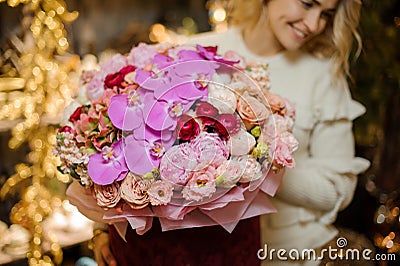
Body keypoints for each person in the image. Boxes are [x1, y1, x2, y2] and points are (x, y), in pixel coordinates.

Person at [87, 0, 370, 265]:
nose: (313, 23)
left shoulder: (323, 75)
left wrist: (257, 167)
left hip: (291, 252)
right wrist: (103, 228)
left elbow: (338, 191)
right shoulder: (201, 50)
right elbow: (134, 143)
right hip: (203, 252)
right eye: (308, 3)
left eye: (326, 15)